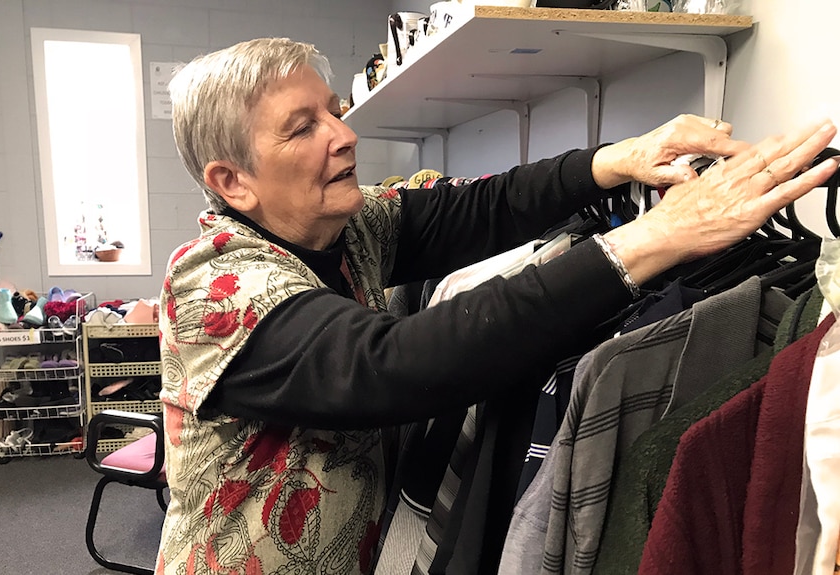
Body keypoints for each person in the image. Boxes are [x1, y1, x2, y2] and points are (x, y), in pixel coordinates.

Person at [156, 36, 838, 575]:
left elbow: (472, 209)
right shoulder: (215, 283)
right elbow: (395, 365)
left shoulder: (343, 226)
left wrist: (617, 159)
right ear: (232, 182)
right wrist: (651, 238)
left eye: (334, 109)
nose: (344, 134)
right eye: (302, 128)